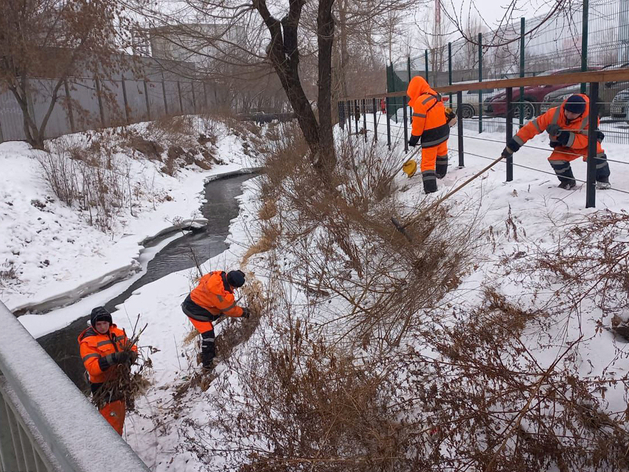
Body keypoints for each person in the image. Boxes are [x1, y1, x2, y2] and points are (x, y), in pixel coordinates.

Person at [502, 94, 610, 190]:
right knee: (556, 159)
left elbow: (586, 140)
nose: (568, 115)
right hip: (565, 147)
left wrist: (564, 136)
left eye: (573, 113)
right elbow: (531, 128)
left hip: (586, 145)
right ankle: (567, 181)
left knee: (596, 152)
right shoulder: (553, 114)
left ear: (581, 113)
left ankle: (603, 179)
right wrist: (512, 146)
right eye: (567, 111)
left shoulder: (591, 118)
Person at [78, 306, 137, 435]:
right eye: (98, 324)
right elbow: (92, 368)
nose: (103, 327)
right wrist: (114, 358)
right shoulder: (88, 342)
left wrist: (130, 358)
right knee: (110, 421)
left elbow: (132, 348)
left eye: (105, 323)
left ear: (109, 322)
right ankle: (114, 449)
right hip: (103, 388)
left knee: (119, 416)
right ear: (93, 325)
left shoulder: (118, 333)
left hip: (120, 382)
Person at [181, 270, 250, 370]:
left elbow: (203, 280)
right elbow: (230, 310)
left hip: (192, 299)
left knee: (218, 312)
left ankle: (207, 359)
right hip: (194, 311)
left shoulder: (217, 275)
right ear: (234, 285)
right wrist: (244, 312)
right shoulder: (219, 294)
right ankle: (207, 364)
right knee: (208, 335)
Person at [405, 76, 451, 193]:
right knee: (442, 153)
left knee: (427, 163)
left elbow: (418, 124)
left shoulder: (420, 102)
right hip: (443, 132)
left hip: (431, 137)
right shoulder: (436, 95)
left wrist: (414, 139)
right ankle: (441, 174)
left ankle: (430, 190)